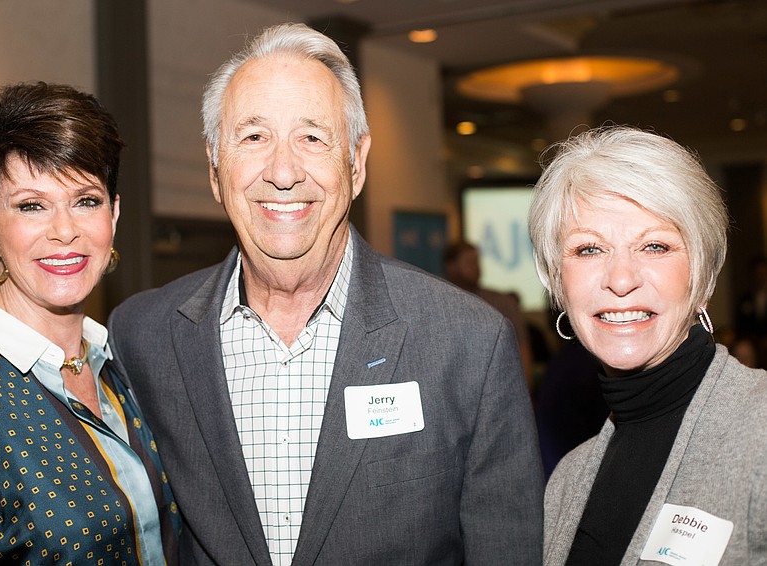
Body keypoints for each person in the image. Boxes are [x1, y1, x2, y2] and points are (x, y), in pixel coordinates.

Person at [108, 22, 542, 565]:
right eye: (253, 137)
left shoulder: (467, 342)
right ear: (215, 169)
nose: (284, 172)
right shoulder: (142, 337)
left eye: (312, 137)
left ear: (356, 163)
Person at [0, 82, 179, 564]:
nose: (64, 230)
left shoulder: (118, 362)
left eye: (86, 201)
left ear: (114, 215)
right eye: (31, 205)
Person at [528, 125, 767, 564]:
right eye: (588, 250)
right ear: (558, 283)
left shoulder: (759, 432)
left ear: (702, 277)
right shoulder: (566, 482)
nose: (621, 280)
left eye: (655, 246)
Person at [442, 240, 535, 389]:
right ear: (451, 267)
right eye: (469, 262)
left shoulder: (502, 303)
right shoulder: (439, 305)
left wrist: (526, 387)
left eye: (477, 261)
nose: (477, 267)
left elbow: (522, 348)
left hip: (501, 387)